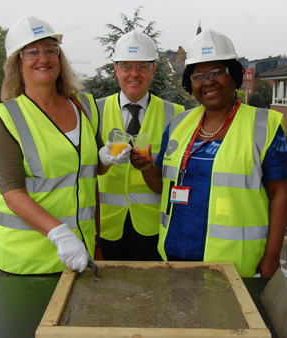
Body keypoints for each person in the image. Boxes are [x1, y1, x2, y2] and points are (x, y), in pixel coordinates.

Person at [131, 30, 287, 277]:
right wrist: (144, 168)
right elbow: (162, 187)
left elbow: (279, 193)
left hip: (235, 263)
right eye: (199, 75)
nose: (208, 81)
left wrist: (271, 259)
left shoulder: (264, 125)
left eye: (217, 72)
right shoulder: (178, 124)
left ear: (234, 75)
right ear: (190, 83)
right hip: (176, 253)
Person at [0, 16, 110, 276]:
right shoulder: (7, 117)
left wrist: (106, 158)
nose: (44, 58)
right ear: (17, 62)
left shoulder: (84, 106)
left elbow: (91, 171)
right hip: (27, 259)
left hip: (77, 252)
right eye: (32, 52)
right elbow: (12, 192)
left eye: (51, 49)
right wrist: (59, 233)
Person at [97, 30, 185, 261]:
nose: (134, 74)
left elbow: (178, 178)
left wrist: (149, 168)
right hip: (104, 227)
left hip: (153, 229)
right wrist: (103, 160)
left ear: (154, 69)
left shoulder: (175, 114)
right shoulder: (93, 111)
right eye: (126, 66)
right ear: (115, 68)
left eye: (143, 66)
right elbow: (84, 169)